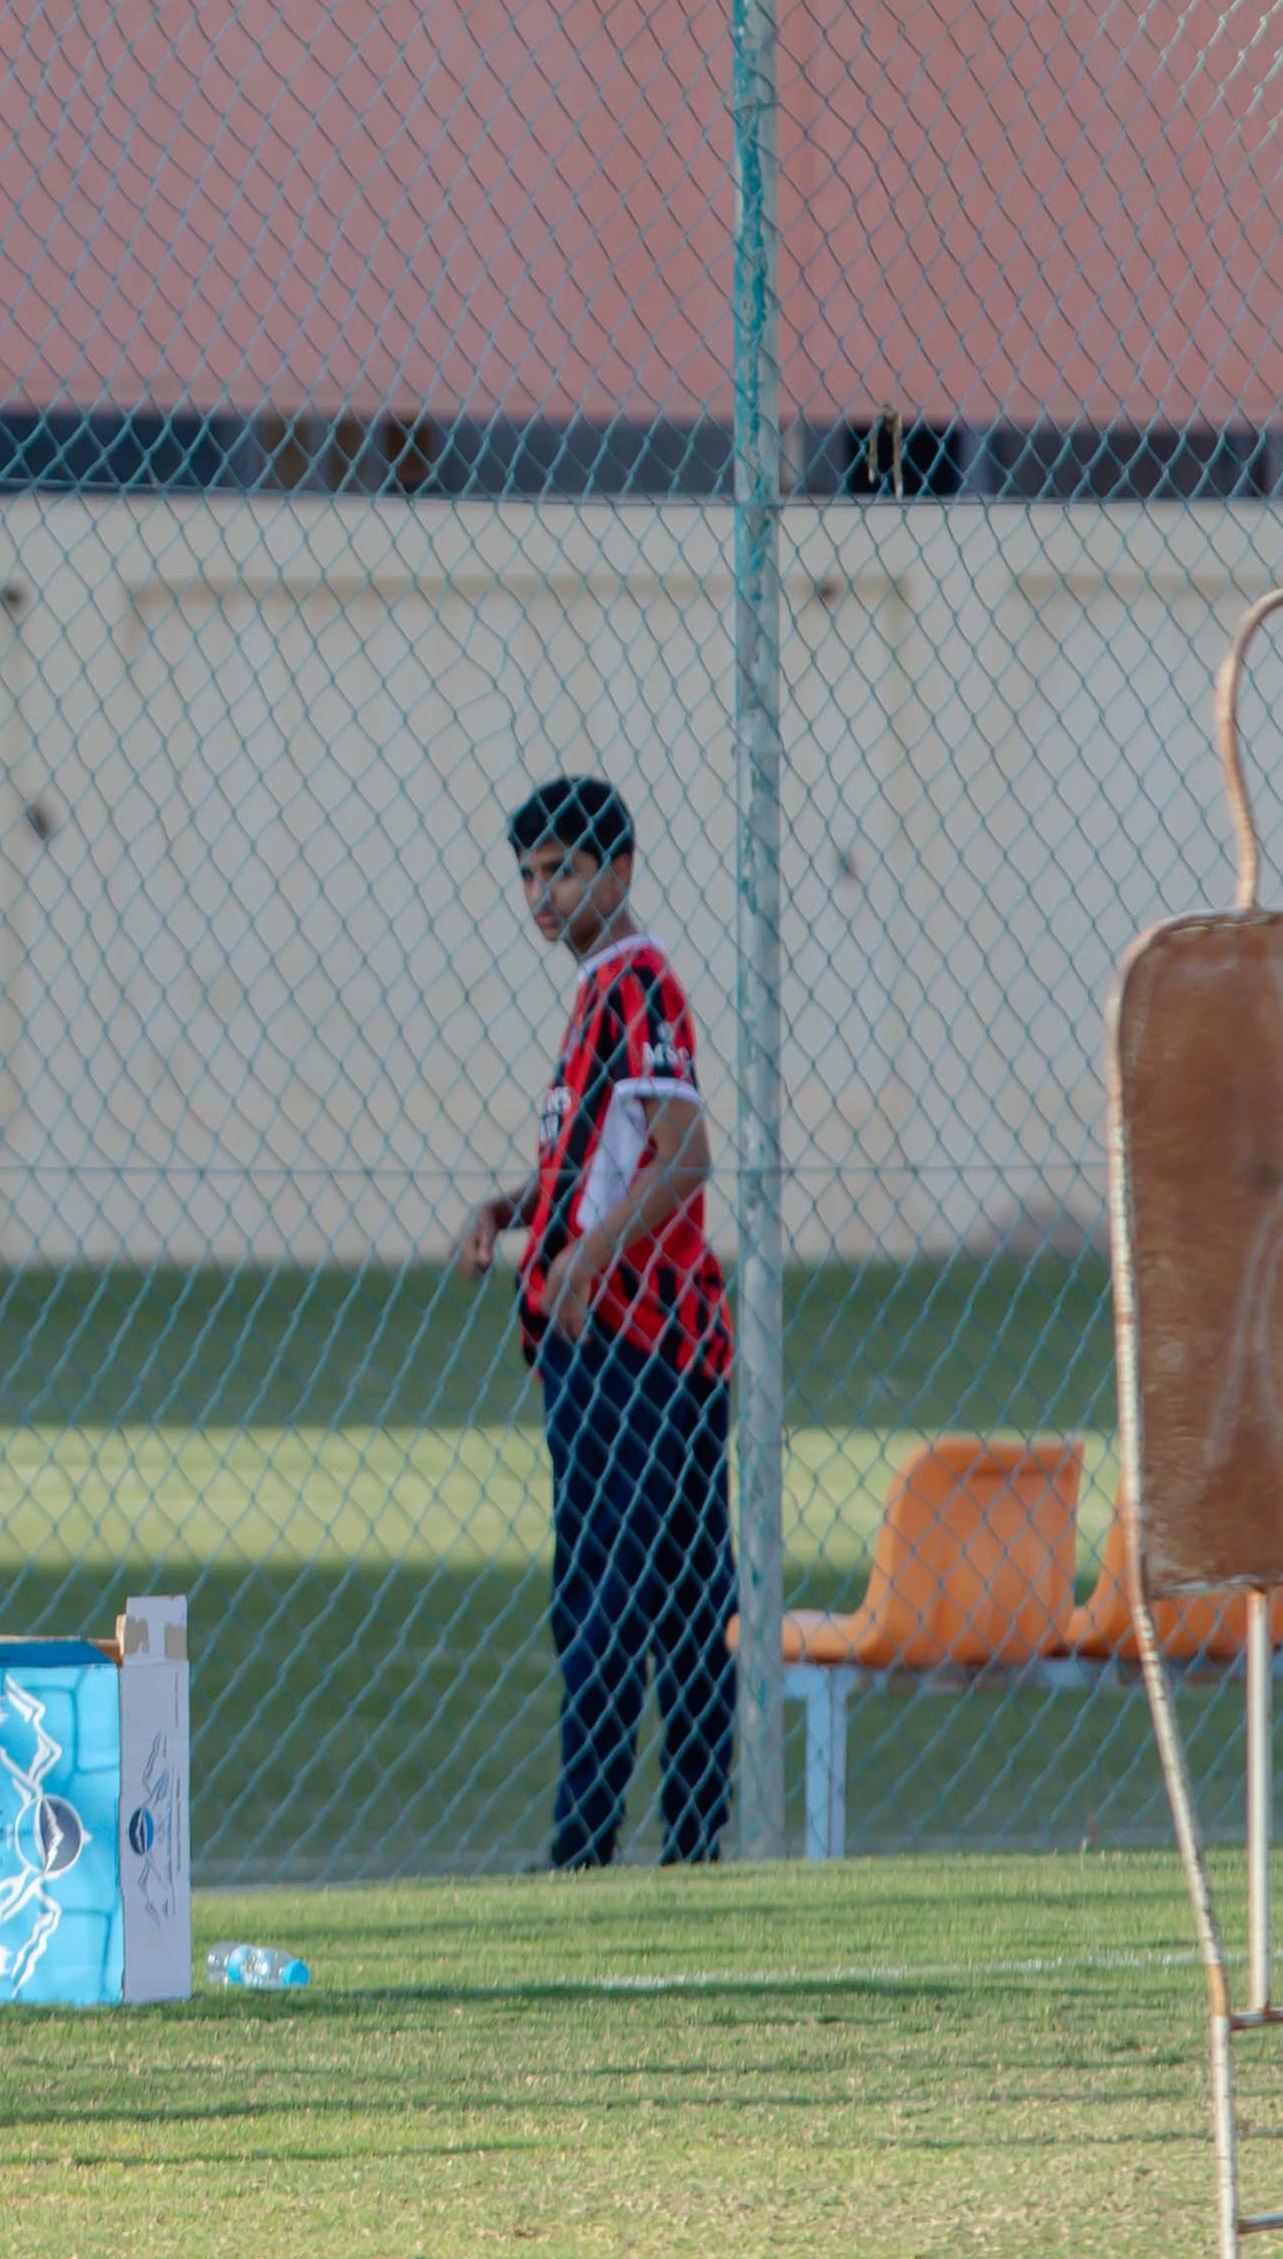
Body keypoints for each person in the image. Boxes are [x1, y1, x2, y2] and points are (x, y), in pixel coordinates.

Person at [448, 774, 734, 1869]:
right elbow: (592, 1163)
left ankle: (597, 1850)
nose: (541, 892)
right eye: (527, 873)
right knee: (644, 1595)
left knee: (626, 1601)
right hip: (595, 1342)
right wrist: (509, 1213)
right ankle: (676, 1847)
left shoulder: (640, 983)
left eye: (563, 868)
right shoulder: (593, 995)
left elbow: (685, 1151)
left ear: (618, 871)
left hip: (641, 1343)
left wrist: (587, 1258)